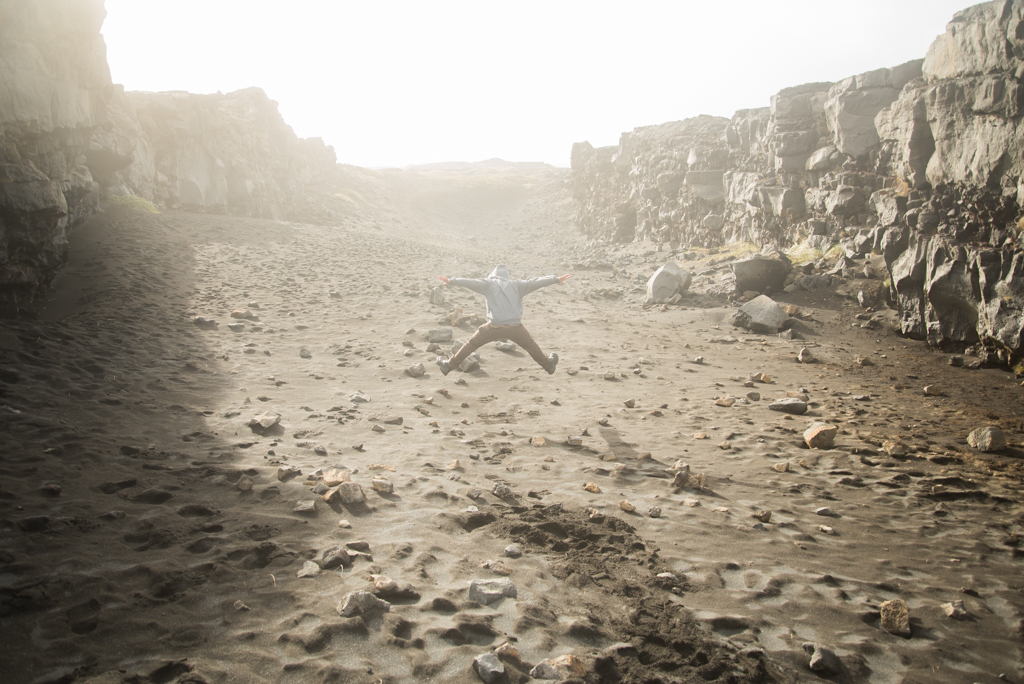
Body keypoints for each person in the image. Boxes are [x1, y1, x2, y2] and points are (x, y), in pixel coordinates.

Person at [435, 265, 570, 376]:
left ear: (493, 275)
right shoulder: (517, 285)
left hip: (493, 327)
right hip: (515, 328)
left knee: (471, 344)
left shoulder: (488, 284)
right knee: (531, 346)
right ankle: (548, 366)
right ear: (507, 277)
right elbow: (535, 282)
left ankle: (449, 365)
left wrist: (452, 281)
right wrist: (555, 279)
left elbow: (471, 282)